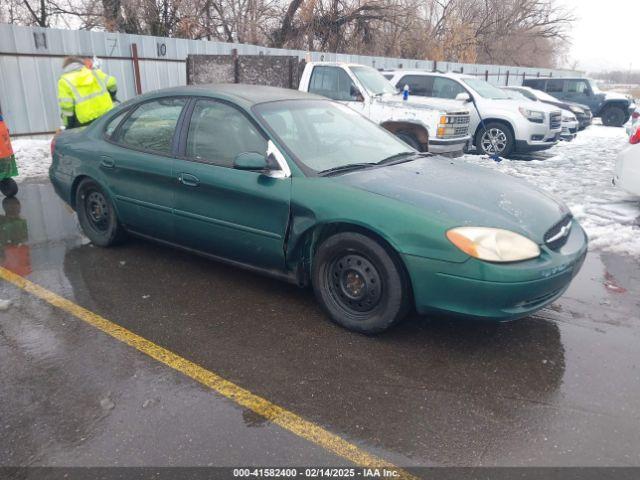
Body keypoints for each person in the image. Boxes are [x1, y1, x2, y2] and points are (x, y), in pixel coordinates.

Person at [57, 56, 117, 129]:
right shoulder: (94, 72)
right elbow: (112, 83)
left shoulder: (64, 81)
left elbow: (66, 106)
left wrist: (68, 125)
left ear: (65, 67)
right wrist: (112, 96)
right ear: (80, 64)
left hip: (85, 122)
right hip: (107, 115)